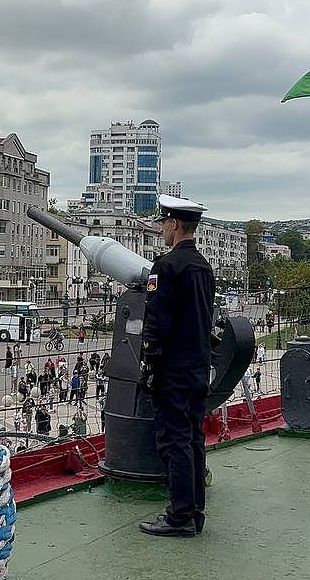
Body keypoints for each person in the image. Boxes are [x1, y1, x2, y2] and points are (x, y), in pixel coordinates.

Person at [137, 194, 214, 538]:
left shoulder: (165, 268)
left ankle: (180, 516)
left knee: (174, 440)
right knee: (195, 438)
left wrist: (149, 361)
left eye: (164, 222)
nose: (162, 228)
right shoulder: (202, 267)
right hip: (198, 366)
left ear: (174, 224)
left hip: (172, 369)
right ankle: (194, 510)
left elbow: (157, 321)